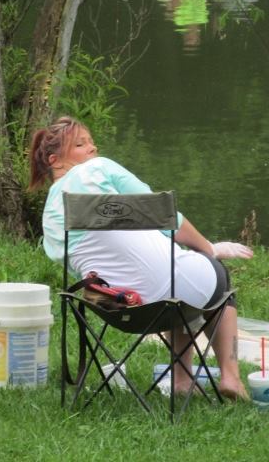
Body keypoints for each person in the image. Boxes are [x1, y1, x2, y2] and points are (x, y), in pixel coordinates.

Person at [29, 116, 253, 400]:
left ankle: (183, 381)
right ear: (55, 160)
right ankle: (230, 378)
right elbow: (164, 214)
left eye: (91, 142)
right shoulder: (98, 168)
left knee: (174, 275)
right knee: (212, 273)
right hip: (170, 299)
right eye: (80, 144)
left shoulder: (49, 219)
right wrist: (210, 248)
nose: (93, 148)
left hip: (118, 308)